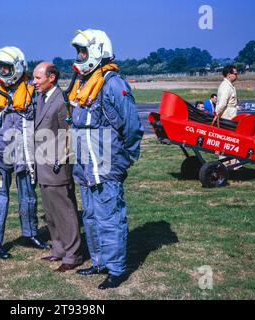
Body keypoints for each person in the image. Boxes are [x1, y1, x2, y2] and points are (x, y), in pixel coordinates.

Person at [68, 29, 144, 290]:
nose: (79, 57)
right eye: (78, 51)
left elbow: (132, 126)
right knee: (90, 215)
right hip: (85, 166)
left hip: (106, 164)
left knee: (110, 217)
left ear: (98, 51)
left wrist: (125, 158)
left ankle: (116, 269)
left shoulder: (113, 83)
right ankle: (99, 260)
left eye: (83, 51)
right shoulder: (82, 82)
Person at [0, 46, 50, 260]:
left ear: (16, 67)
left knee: (28, 197)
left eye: (6, 68)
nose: (1, 73)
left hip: (25, 155)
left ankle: (30, 234)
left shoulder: (31, 89)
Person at [32, 62, 83, 272]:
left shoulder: (61, 101)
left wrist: (62, 163)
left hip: (56, 167)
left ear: (51, 77)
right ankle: (59, 250)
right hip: (42, 166)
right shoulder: (42, 98)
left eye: (37, 78)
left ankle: (73, 255)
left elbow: (67, 135)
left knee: (65, 212)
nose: (34, 82)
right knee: (51, 213)